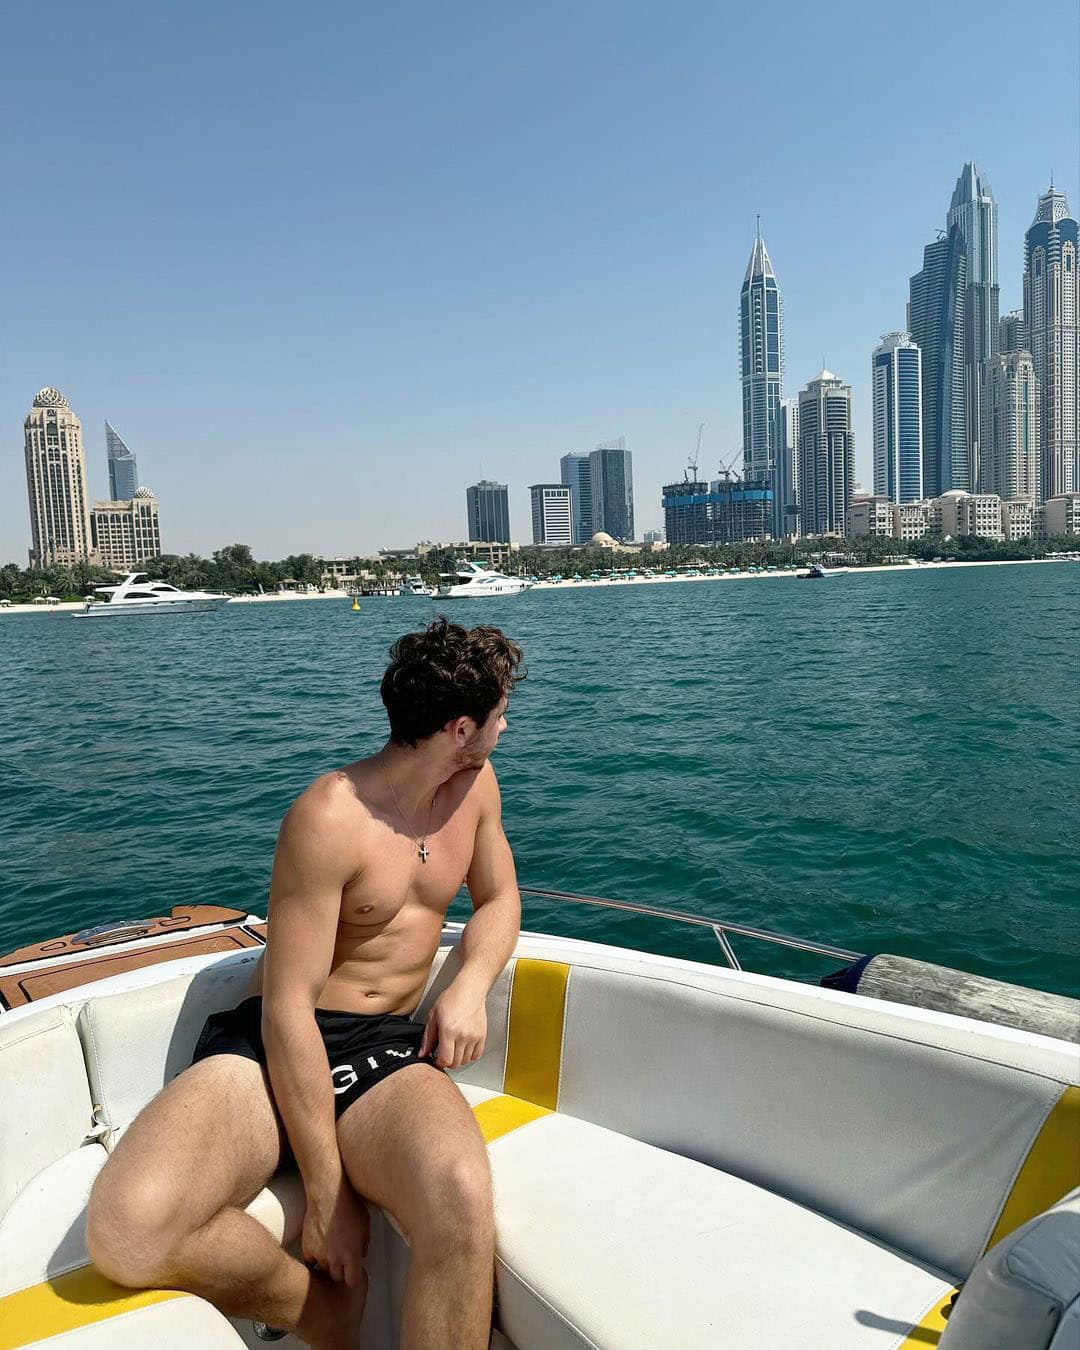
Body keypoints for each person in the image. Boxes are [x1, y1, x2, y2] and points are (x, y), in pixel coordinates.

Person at [87, 618, 526, 1350]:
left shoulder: (475, 789)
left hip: (384, 1048)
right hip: (278, 1045)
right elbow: (287, 1009)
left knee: (460, 1197)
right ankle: (316, 1311)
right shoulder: (329, 817)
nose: (505, 727)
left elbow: (501, 900)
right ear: (459, 727)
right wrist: (327, 1194)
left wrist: (469, 983)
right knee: (128, 1231)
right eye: (500, 715)